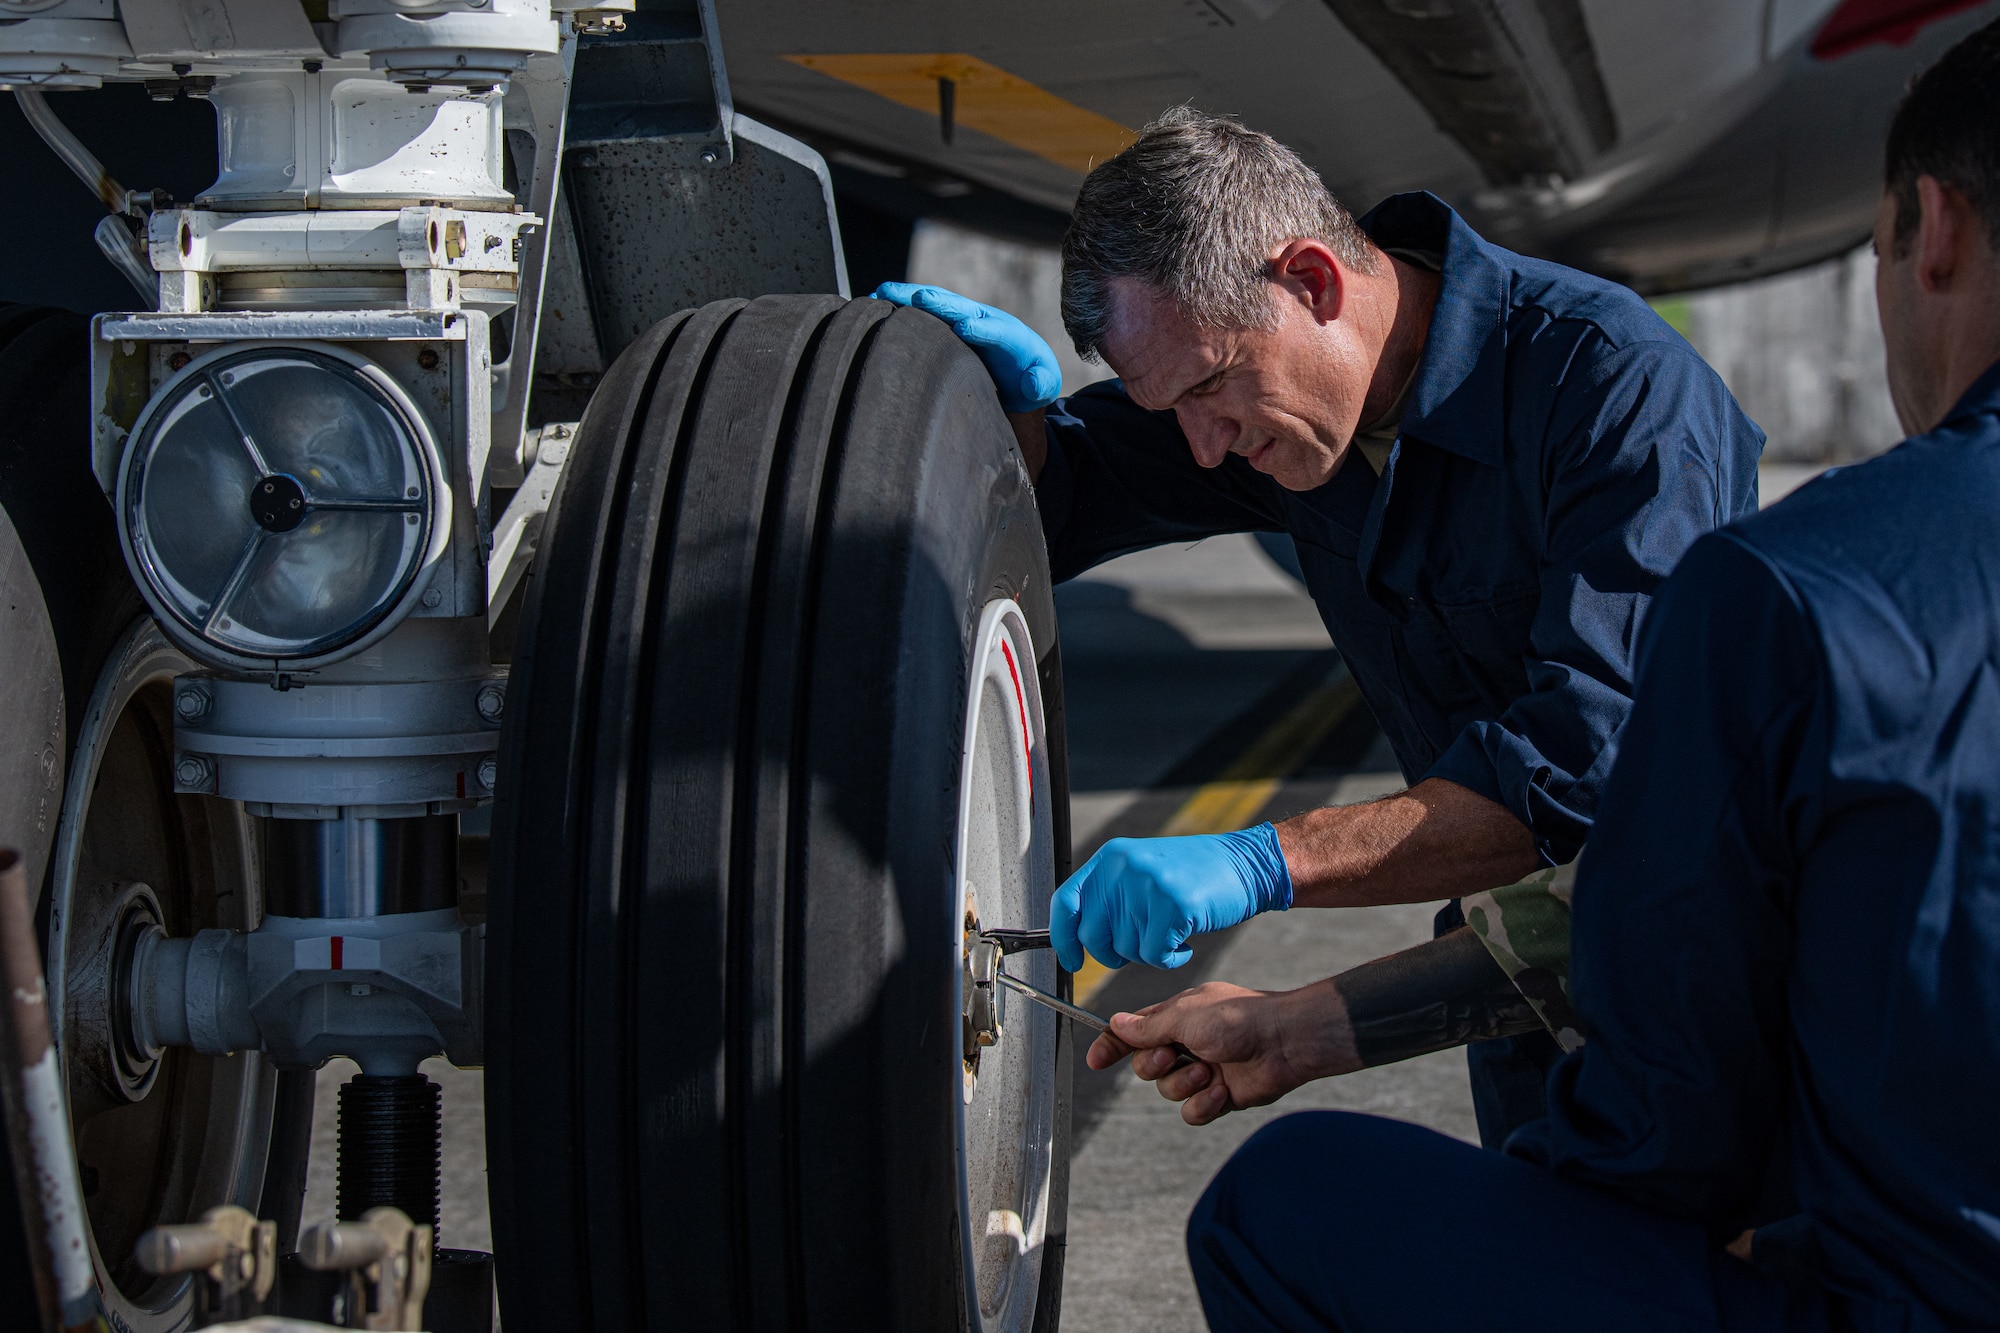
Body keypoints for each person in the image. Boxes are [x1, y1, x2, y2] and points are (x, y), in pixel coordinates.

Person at [1148, 20, 2000, 1331]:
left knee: (1288, 1201)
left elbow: (1666, 1082)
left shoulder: (1800, 586)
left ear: (1931, 229)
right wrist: (1315, 1022)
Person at [878, 110, 1763, 1142]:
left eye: (1208, 387)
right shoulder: (1290, 404)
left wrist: (1258, 861)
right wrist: (1017, 421)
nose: (1201, 450)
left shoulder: (1613, 397)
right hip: (1503, 963)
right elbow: (1061, 497)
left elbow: (1580, 776)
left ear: (1313, 281)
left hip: (1707, 984)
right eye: (1169, 410)